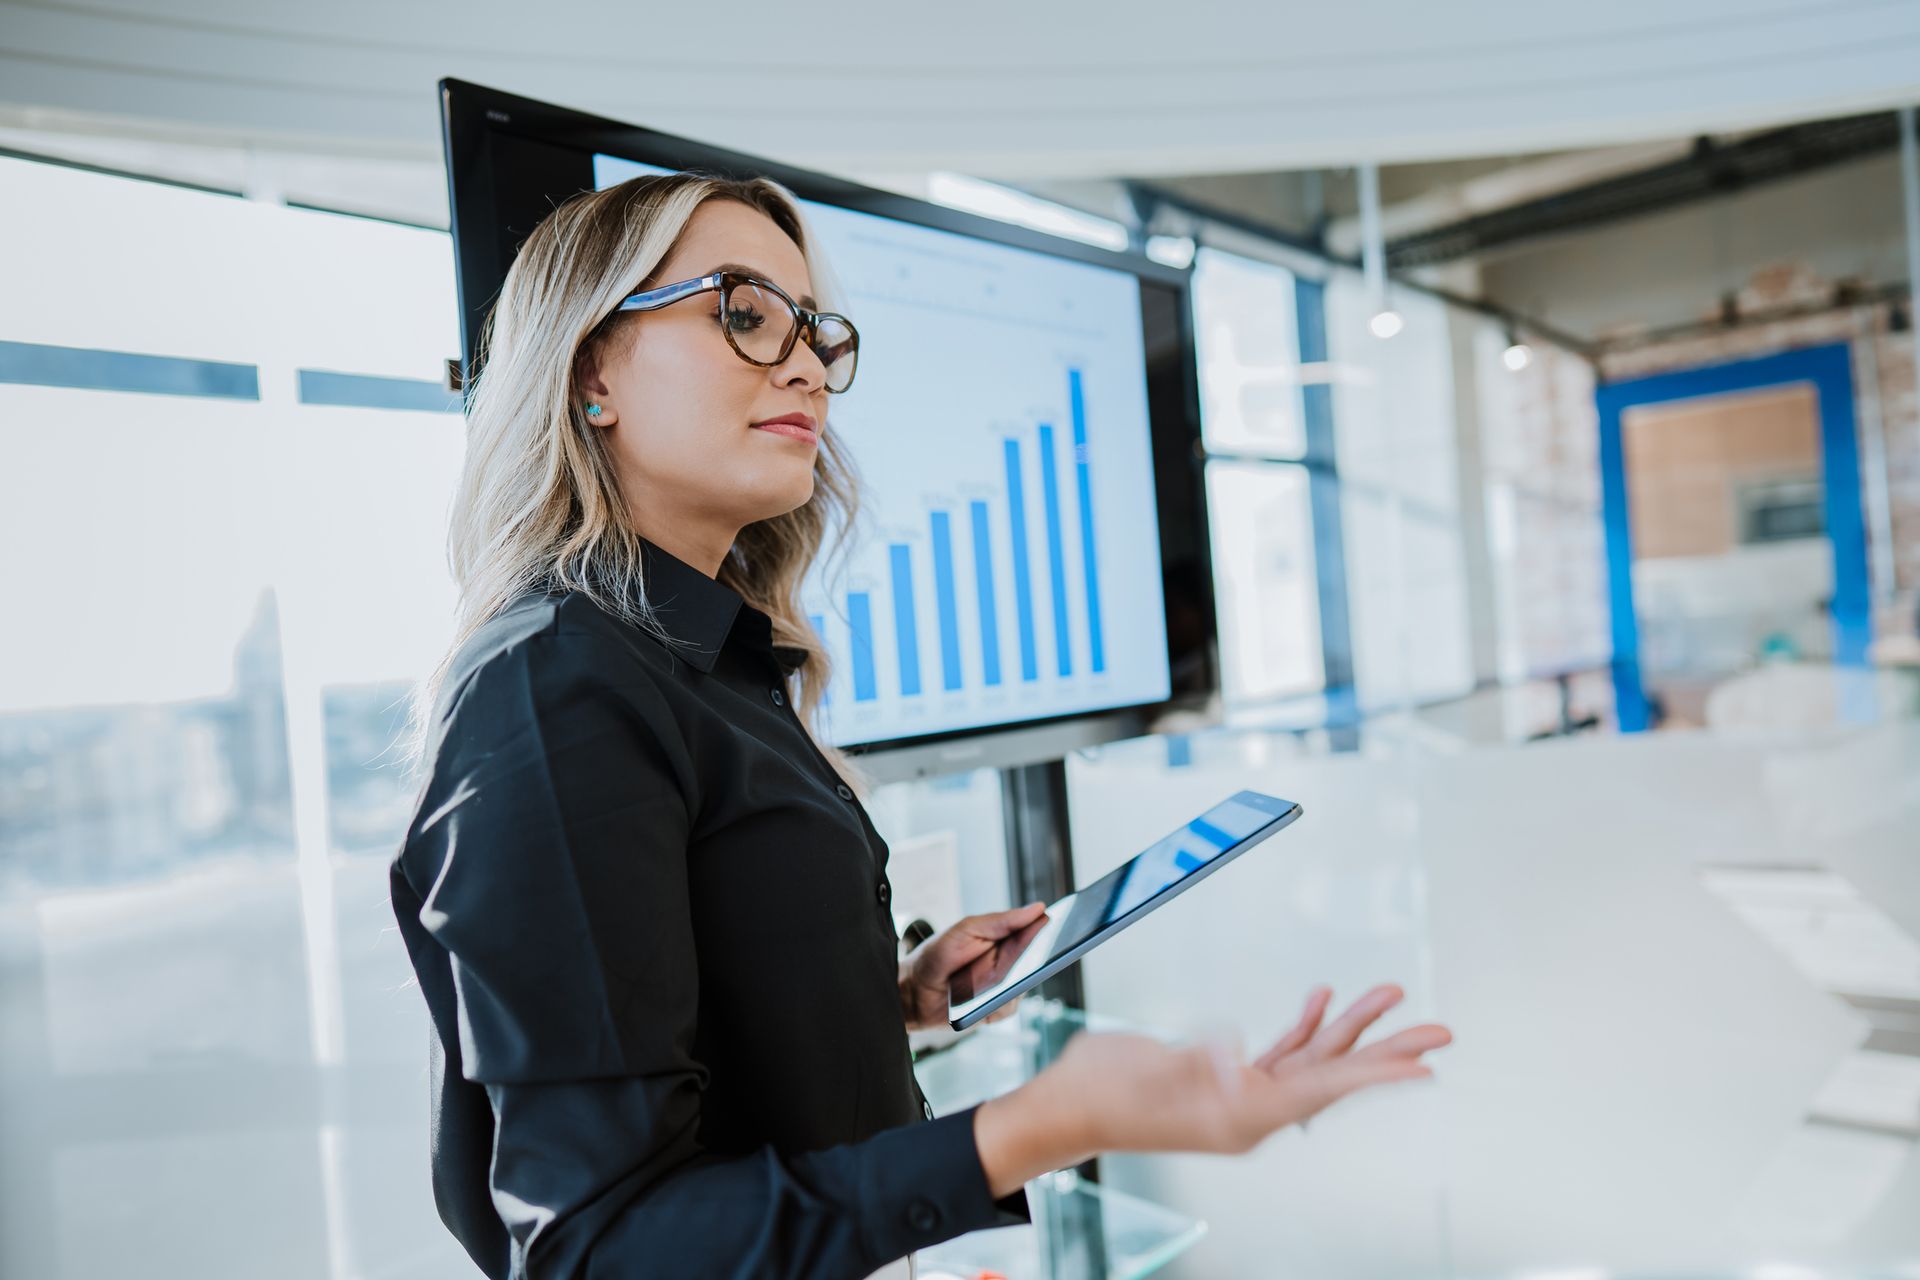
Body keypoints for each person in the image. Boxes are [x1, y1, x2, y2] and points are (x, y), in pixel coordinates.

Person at [388, 171, 1452, 1280]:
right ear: (591, 367)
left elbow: (679, 1019)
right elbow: (602, 1246)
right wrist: (1039, 1122)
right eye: (744, 313)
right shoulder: (555, 686)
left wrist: (881, 993)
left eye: (815, 331)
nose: (806, 364)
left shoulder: (706, 663)